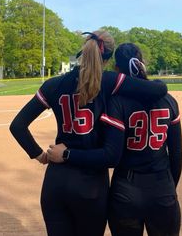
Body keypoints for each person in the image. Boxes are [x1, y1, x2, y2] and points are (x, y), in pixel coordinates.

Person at [10, 31, 168, 236]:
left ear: (83, 52)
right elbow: (158, 90)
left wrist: (39, 154)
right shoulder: (110, 80)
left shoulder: (54, 84)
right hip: (90, 184)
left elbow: (18, 126)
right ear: (109, 58)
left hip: (55, 182)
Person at [49, 43, 182, 236]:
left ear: (117, 69)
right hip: (162, 186)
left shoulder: (117, 101)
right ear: (142, 62)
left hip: (126, 190)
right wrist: (169, 187)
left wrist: (69, 153)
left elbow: (110, 153)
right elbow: (176, 153)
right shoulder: (168, 100)